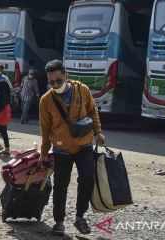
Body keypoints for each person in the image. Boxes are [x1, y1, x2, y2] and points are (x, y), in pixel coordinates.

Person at [39, 60, 105, 236]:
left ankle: (79, 217)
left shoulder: (82, 90)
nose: (55, 85)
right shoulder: (46, 100)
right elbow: (45, 129)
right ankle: (59, 222)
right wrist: (44, 153)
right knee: (60, 186)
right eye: (51, 82)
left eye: (58, 81)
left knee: (88, 178)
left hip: (84, 145)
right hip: (61, 150)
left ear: (66, 76)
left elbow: (93, 111)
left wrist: (98, 131)